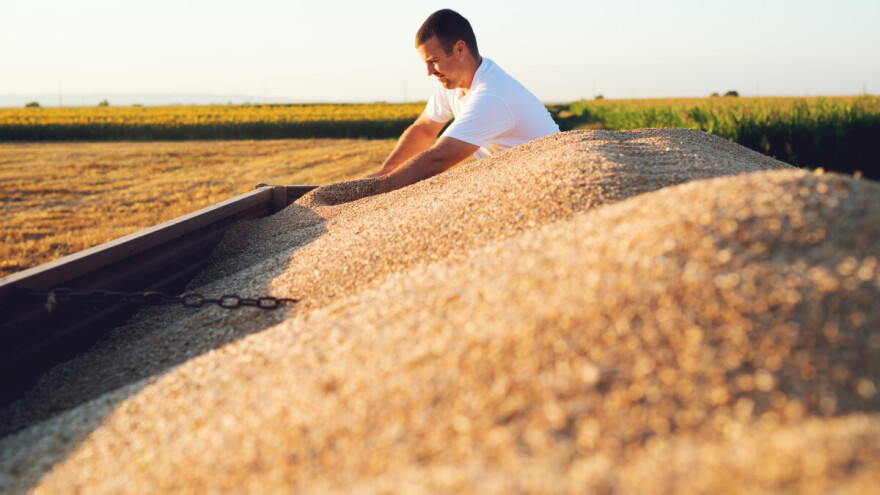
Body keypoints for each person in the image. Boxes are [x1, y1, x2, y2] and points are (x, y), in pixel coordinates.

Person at [364, 9, 560, 194]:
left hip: (552, 183)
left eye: (433, 60)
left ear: (459, 49)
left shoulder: (492, 95)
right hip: (515, 182)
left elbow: (439, 158)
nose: (429, 72)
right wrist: (385, 172)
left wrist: (375, 190)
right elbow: (424, 129)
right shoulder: (452, 85)